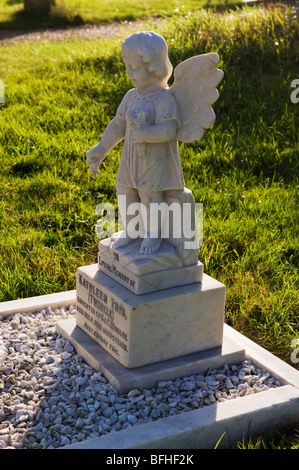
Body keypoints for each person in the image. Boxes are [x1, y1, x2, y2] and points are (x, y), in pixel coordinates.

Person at [86, 31, 185, 255]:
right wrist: (101, 148)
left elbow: (169, 130)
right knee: (125, 191)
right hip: (131, 159)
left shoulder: (164, 99)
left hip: (155, 162)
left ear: (154, 66)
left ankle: (153, 234)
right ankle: (132, 229)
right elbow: (118, 124)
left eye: (135, 68)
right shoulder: (131, 96)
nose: (129, 72)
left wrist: (146, 133)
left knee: (150, 197)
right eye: (127, 67)